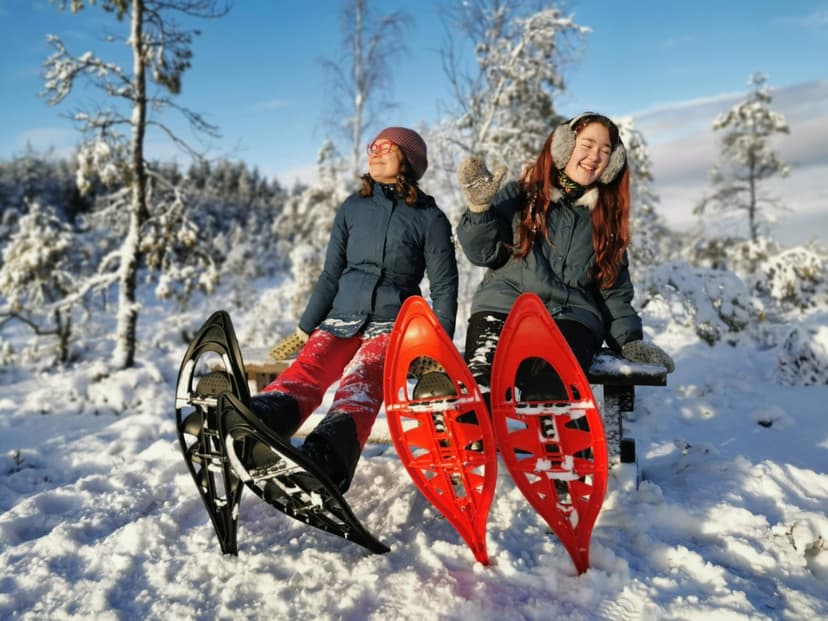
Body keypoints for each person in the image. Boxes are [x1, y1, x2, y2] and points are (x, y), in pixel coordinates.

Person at [242, 126, 458, 494]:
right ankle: (262, 422)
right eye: (372, 146)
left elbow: (444, 286)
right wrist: (304, 327)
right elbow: (331, 273)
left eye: (385, 147)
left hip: (392, 323)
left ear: (408, 159)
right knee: (309, 367)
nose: (374, 152)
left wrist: (437, 344)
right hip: (342, 315)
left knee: (364, 378)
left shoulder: (429, 217)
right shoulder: (353, 207)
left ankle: (329, 455)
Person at [455, 112, 674, 404]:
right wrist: (480, 210)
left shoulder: (605, 219)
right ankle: (472, 440)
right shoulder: (521, 194)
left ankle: (553, 443)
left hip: (571, 317)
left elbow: (613, 291)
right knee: (483, 389)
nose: (595, 156)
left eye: (605, 150)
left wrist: (629, 340)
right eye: (587, 144)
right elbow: (483, 253)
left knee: (551, 393)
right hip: (503, 307)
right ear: (564, 145)